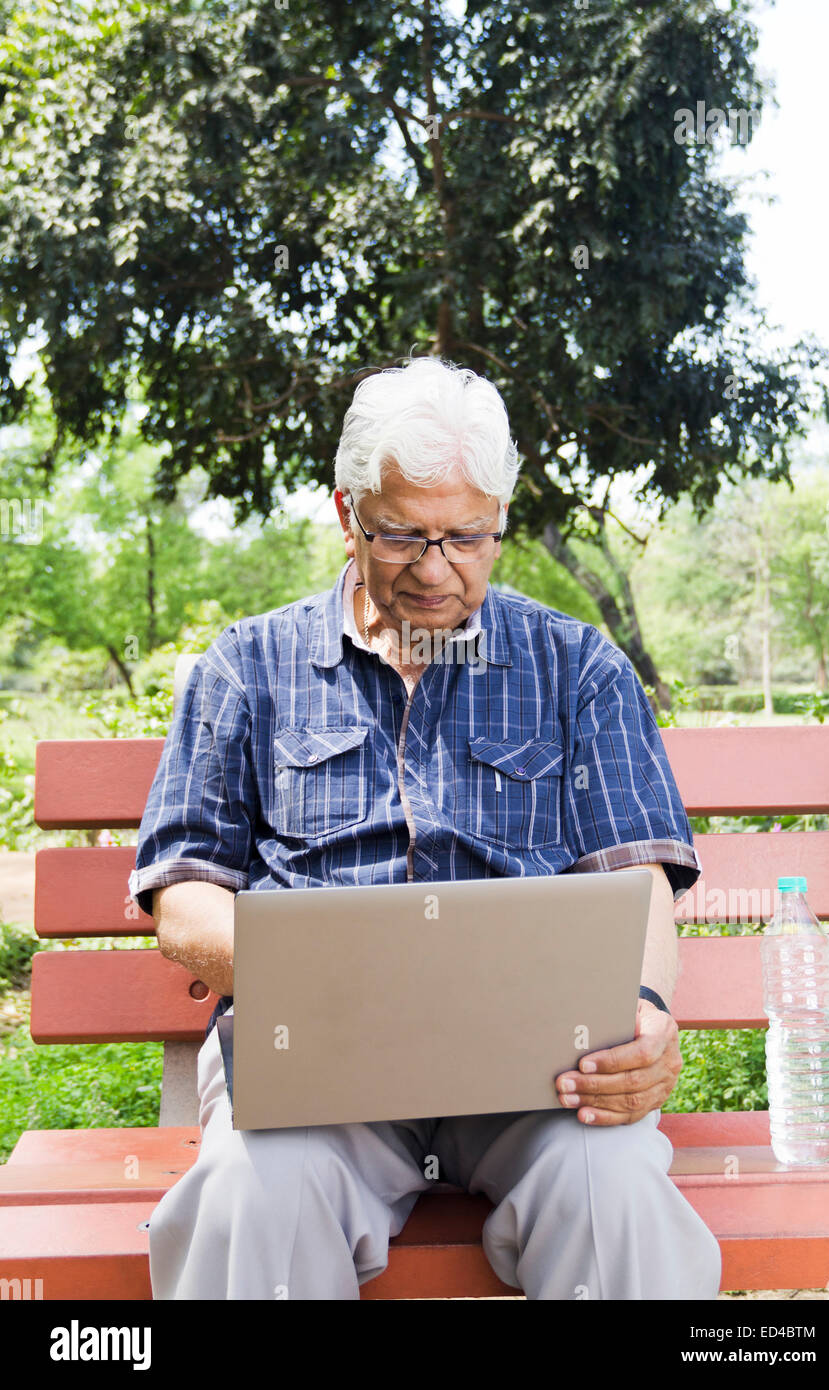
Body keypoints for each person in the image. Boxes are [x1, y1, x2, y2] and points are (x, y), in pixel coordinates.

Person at [129, 356, 722, 1300]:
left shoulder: (579, 668)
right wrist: (349, 974)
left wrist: (643, 1012)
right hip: (313, 1066)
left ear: (499, 520)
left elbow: (640, 873)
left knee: (615, 1196)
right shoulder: (247, 667)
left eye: (469, 537)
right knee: (255, 1195)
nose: (438, 569)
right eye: (404, 535)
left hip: (538, 1073)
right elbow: (186, 901)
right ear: (347, 513)